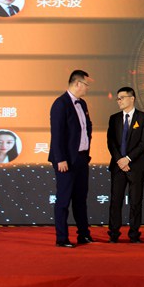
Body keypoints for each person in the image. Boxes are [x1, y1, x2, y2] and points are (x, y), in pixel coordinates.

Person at [48, 70, 93, 248]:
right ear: (77, 84)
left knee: (81, 199)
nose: (88, 88)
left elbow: (86, 129)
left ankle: (84, 234)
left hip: (81, 158)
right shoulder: (60, 104)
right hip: (65, 161)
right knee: (63, 200)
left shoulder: (82, 103)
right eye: (86, 85)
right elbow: (57, 134)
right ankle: (62, 238)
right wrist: (61, 159)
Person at [107, 87, 144, 244]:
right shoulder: (114, 118)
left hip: (136, 165)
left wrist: (128, 159)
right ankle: (113, 234)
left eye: (122, 98)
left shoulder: (143, 117)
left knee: (135, 201)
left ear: (132, 98)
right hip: (118, 166)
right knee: (116, 201)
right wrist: (120, 160)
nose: (119, 101)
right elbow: (111, 142)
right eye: (118, 98)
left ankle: (134, 234)